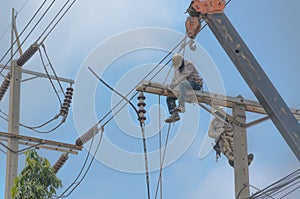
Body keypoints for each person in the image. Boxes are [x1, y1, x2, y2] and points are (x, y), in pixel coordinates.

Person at [165, 54, 203, 123]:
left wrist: (175, 83)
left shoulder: (189, 64)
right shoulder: (177, 70)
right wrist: (170, 87)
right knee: (169, 96)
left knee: (183, 84)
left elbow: (184, 77)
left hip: (194, 84)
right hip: (183, 87)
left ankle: (181, 106)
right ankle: (174, 115)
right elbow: (174, 80)